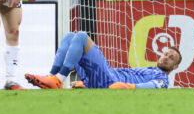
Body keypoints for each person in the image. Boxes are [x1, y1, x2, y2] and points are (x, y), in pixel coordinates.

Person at [26, 31, 180, 89]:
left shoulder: (162, 79)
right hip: (103, 79)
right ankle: (51, 77)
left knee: (81, 37)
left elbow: (150, 86)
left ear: (174, 67)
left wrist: (128, 87)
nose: (166, 57)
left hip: (111, 81)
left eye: (171, 58)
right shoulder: (148, 69)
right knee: (69, 37)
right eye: (166, 54)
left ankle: (58, 80)